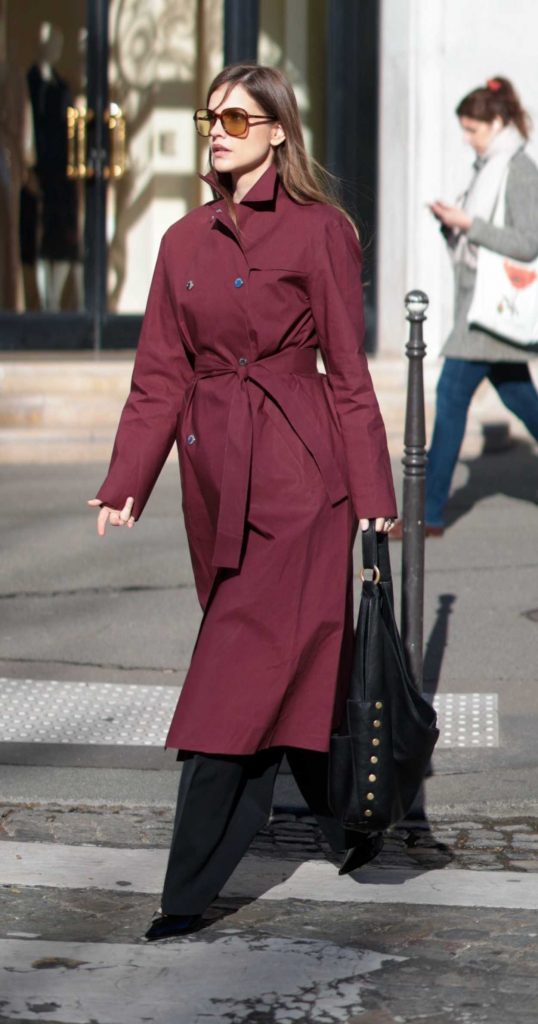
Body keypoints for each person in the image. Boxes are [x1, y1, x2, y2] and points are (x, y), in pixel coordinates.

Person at [88, 63, 397, 940]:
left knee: (232, 673)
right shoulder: (182, 242)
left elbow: (348, 371)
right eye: (209, 115)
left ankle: (187, 891)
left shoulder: (320, 232)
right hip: (215, 480)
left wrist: (371, 490)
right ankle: (357, 821)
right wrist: (126, 481)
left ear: (277, 133)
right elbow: (159, 375)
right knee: (288, 670)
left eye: (236, 117)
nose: (217, 129)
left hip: (303, 486)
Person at [419, 76, 538, 536]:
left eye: (474, 129)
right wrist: (453, 224)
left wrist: (470, 222)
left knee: (450, 400)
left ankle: (427, 512)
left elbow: (528, 243)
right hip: (481, 308)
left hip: (490, 314)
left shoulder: (519, 170)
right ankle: (426, 509)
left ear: (498, 122)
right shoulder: (488, 167)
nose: (468, 139)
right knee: (523, 402)